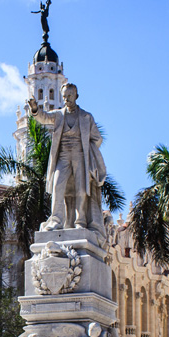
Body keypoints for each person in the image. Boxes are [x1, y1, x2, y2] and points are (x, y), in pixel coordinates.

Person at [26, 82, 108, 234]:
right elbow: (44, 118)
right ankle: (56, 220)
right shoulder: (58, 115)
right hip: (62, 156)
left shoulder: (86, 117)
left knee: (81, 189)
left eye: (69, 96)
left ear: (76, 96)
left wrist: (88, 150)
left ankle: (80, 221)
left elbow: (97, 138)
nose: (67, 99)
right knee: (57, 187)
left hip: (80, 156)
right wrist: (35, 109)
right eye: (64, 96)